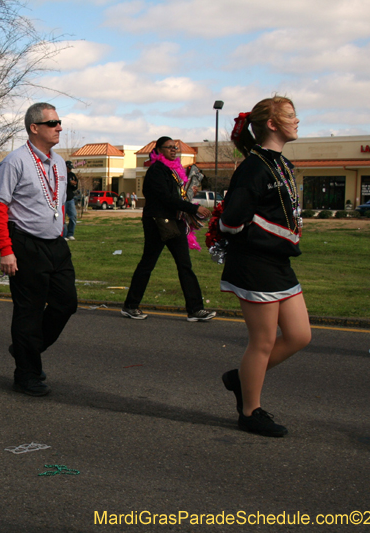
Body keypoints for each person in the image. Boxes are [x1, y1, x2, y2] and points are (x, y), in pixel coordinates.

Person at [219, 96, 311, 438]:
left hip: (279, 263)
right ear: (272, 124)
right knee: (263, 342)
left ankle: (240, 377)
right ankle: (249, 411)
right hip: (254, 265)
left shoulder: (281, 163)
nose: (297, 120)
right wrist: (278, 236)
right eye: (290, 115)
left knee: (300, 335)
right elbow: (231, 222)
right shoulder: (253, 167)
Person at [0, 102, 77, 396]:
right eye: (53, 123)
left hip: (55, 243)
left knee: (67, 303)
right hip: (25, 243)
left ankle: (27, 349)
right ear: (34, 128)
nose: (59, 127)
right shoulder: (14, 161)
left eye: (59, 122)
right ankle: (27, 373)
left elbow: (59, 202)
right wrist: (6, 250)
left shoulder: (60, 162)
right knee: (29, 311)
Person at [121, 137, 215, 322]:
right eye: (170, 147)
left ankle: (196, 309)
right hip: (158, 222)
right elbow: (165, 197)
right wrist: (194, 208)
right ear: (159, 150)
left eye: (176, 148)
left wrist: (187, 193)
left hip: (175, 220)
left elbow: (175, 195)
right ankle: (130, 306)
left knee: (184, 265)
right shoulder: (156, 170)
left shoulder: (172, 171)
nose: (174, 150)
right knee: (148, 264)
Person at [63, 162, 78, 241]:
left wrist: (74, 184)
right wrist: (69, 183)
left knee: (73, 216)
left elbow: (76, 186)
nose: (70, 169)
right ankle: (64, 235)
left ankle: (70, 234)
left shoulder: (72, 175)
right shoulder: (61, 174)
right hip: (62, 200)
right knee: (63, 218)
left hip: (70, 199)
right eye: (69, 167)